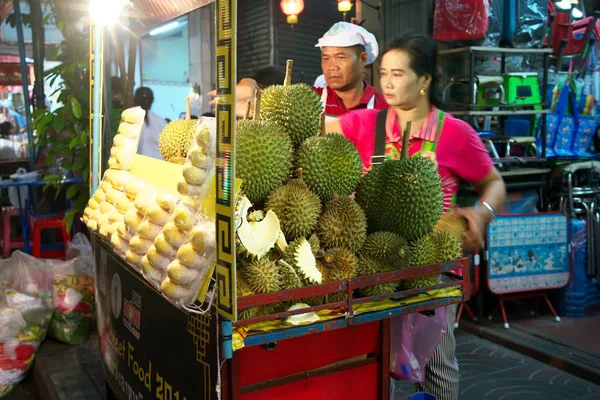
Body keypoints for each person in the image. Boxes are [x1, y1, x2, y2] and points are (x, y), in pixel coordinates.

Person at [327, 33, 506, 400]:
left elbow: (494, 183)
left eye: (399, 74)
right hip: (374, 261)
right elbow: (316, 129)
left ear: (424, 79)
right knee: (375, 364)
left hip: (432, 265)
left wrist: (481, 213)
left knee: (436, 368)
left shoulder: (454, 133)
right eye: (385, 74)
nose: (388, 83)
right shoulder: (365, 124)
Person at [209, 21, 386, 118]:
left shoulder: (384, 107)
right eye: (325, 58)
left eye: (341, 57)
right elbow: (278, 104)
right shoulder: (310, 99)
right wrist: (249, 85)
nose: (331, 66)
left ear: (362, 60)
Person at [134, 87, 167, 160]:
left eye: (146, 99)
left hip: (158, 166)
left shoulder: (161, 123)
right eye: (142, 99)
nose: (145, 101)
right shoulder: (129, 121)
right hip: (135, 166)